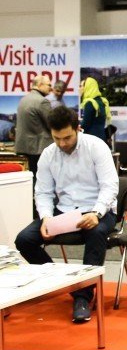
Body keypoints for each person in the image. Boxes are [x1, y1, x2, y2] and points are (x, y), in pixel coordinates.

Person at [14, 106, 118, 323]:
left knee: (96, 233)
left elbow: (109, 186)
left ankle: (82, 297)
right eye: (57, 138)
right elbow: (43, 192)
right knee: (24, 240)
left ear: (78, 129)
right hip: (64, 211)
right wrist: (45, 218)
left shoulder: (96, 146)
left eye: (67, 138)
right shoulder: (48, 154)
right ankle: (63, 283)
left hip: (98, 208)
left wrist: (97, 213)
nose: (62, 143)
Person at [15, 75, 54, 217]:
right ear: (39, 85)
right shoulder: (42, 101)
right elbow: (53, 124)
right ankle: (42, 213)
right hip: (39, 147)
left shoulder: (24, 99)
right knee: (43, 182)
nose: (51, 88)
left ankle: (32, 211)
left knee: (33, 179)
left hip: (25, 146)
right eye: (48, 85)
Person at [80, 77, 111, 144]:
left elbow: (85, 124)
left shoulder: (90, 103)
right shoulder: (103, 101)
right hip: (101, 138)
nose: (80, 88)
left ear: (88, 87)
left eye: (81, 86)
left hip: (91, 140)